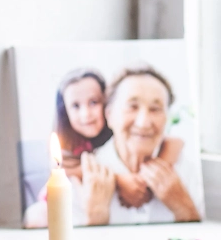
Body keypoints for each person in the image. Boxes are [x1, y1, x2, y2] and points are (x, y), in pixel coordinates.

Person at [81, 67, 201, 225]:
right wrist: (95, 217)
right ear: (109, 115)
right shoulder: (86, 176)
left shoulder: (189, 171)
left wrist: (184, 208)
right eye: (132, 106)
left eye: (155, 109)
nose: (143, 123)